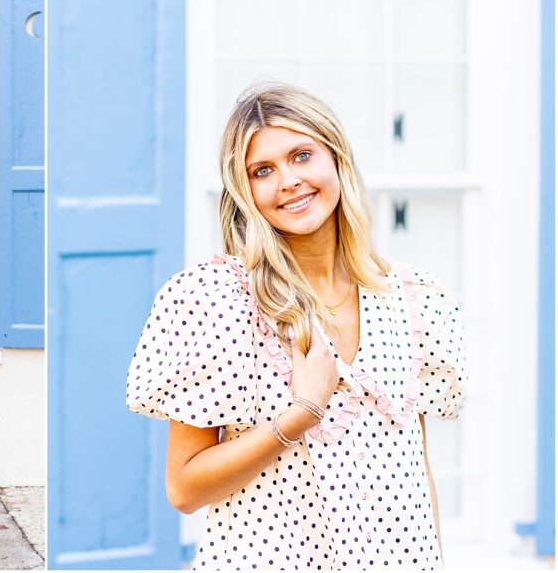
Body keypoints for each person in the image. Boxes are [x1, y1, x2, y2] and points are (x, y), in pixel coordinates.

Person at [126, 82, 467, 570]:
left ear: (336, 159)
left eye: (301, 155)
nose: (287, 180)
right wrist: (300, 415)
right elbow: (184, 488)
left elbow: (415, 472)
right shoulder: (217, 301)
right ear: (245, 192)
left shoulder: (412, 300)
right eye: (262, 170)